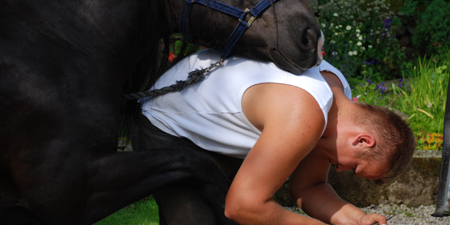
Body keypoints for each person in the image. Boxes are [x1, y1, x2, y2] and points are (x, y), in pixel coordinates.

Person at [132, 48, 416, 225]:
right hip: (165, 121)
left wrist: (356, 218)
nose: (340, 170)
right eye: (354, 168)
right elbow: (243, 206)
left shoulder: (338, 96)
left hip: (211, 135)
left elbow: (310, 187)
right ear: (363, 140)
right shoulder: (305, 113)